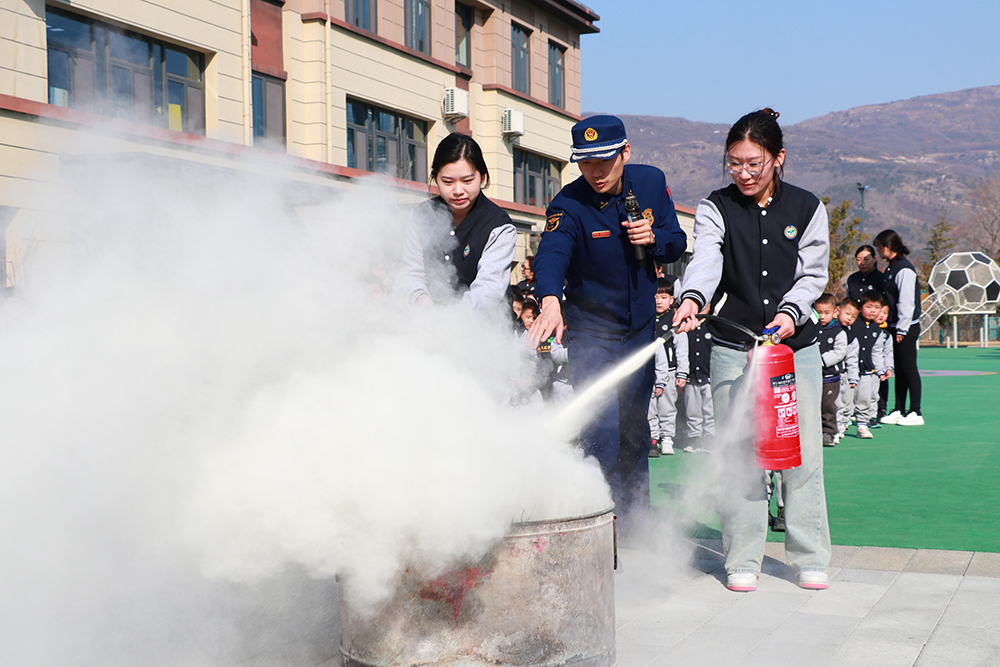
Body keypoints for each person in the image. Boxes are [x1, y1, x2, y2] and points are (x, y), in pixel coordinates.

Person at [673, 108, 831, 592]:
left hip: (793, 348)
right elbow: (706, 260)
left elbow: (813, 275)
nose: (742, 174)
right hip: (732, 346)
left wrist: (790, 314)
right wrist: (693, 297)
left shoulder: (807, 208)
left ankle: (809, 555)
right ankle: (742, 557)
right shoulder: (715, 206)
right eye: (734, 164)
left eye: (753, 164)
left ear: (778, 159)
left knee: (800, 452)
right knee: (740, 454)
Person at [528, 115, 687, 521]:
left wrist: (654, 241)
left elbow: (676, 241)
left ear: (625, 153)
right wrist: (549, 299)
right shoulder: (568, 203)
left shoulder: (650, 183)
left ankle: (637, 526)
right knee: (601, 427)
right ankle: (605, 524)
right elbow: (552, 252)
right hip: (590, 333)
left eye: (604, 161)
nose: (595, 172)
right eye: (585, 163)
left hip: (638, 331)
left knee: (635, 428)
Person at [399, 133, 516, 309]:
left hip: (487, 328)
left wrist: (451, 320)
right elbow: (410, 272)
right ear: (436, 178)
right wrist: (421, 300)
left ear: (482, 178)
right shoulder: (420, 215)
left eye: (468, 180)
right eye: (448, 182)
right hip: (429, 323)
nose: (458, 190)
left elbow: (488, 289)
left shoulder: (499, 225)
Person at [874, 229, 924, 426]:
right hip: (894, 326)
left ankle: (916, 412)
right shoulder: (891, 267)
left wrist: (902, 329)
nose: (878, 251)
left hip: (907, 327)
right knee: (900, 370)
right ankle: (899, 409)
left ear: (888, 247)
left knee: (909, 367)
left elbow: (906, 302)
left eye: (879, 248)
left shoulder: (904, 269)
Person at [649, 278, 682, 456]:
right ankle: (653, 439)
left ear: (671, 299)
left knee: (667, 407)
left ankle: (667, 438)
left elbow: (681, 348)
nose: (659, 301)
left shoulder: (674, 320)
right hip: (649, 373)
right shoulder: (647, 319)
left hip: (669, 372)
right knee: (650, 408)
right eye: (655, 297)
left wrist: (682, 373)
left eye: (663, 297)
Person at [850, 292, 887, 439]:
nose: (873, 311)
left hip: (867, 372)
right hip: (849, 371)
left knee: (864, 399)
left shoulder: (877, 331)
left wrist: (880, 369)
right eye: (869, 306)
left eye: (877, 307)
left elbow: (877, 352)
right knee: (845, 400)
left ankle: (862, 425)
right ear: (861, 307)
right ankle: (840, 425)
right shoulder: (853, 323)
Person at [815, 293, 847, 447]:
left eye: (826, 313)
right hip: (812, 376)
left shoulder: (838, 332)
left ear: (836, 312)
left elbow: (839, 353)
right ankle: (812, 432)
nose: (822, 316)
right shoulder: (811, 330)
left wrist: (820, 361)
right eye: (818, 312)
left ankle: (828, 432)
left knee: (827, 406)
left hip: (830, 378)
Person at [835, 297, 860, 444]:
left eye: (854, 316)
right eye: (847, 313)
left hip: (842, 374)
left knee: (843, 402)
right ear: (838, 310)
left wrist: (853, 377)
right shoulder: (826, 329)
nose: (849, 318)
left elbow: (852, 359)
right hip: (825, 374)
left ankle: (841, 426)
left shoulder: (851, 337)